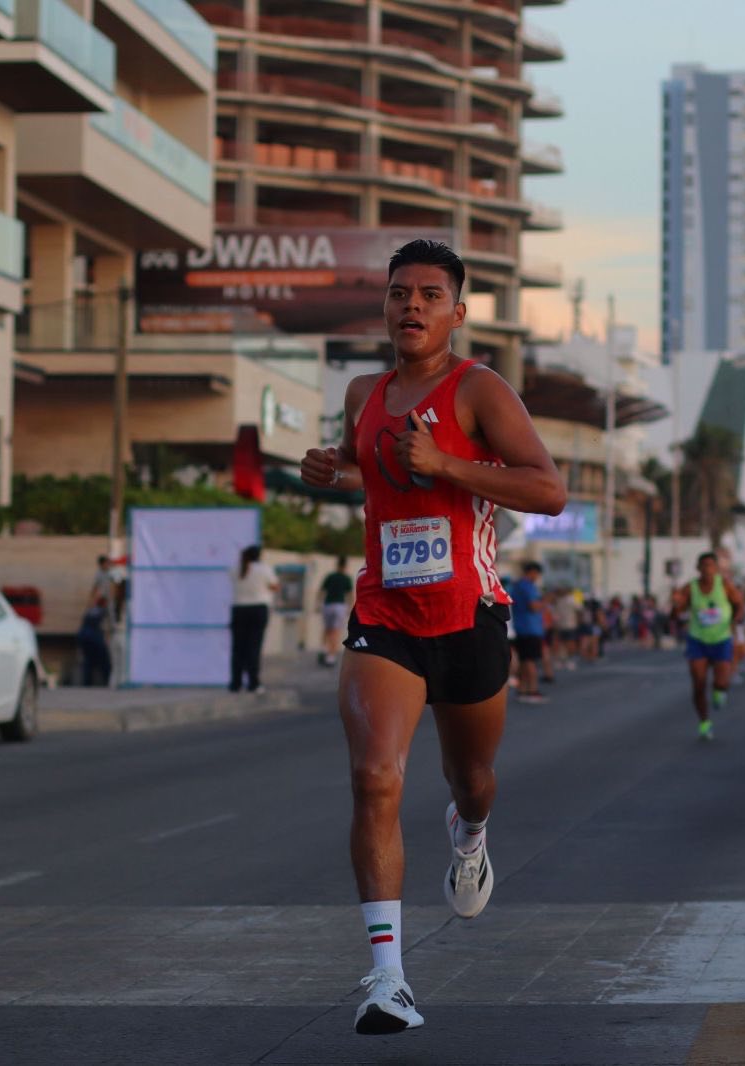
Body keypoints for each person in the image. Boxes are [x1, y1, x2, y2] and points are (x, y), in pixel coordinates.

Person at [298, 238, 565, 1035]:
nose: (409, 306)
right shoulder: (363, 391)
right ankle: (388, 978)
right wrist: (330, 471)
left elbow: (547, 489)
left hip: (469, 617)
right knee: (376, 777)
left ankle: (470, 833)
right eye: (397, 293)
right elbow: (367, 465)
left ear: (455, 310)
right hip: (385, 616)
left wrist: (447, 462)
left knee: (472, 779)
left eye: (427, 294)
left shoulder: (479, 388)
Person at [670, 551, 745, 741]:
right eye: (703, 566)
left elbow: (739, 604)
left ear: (717, 569)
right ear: (698, 568)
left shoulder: (725, 586)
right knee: (698, 683)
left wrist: (736, 619)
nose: (707, 570)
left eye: (711, 566)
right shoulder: (690, 588)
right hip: (697, 639)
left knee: (722, 681)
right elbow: (676, 613)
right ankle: (704, 722)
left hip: (721, 639)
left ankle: (719, 692)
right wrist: (676, 605)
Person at [229, 545, 277, 694]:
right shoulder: (264, 569)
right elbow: (275, 586)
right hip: (258, 609)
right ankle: (253, 683)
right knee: (254, 647)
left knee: (238, 648)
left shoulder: (235, 569)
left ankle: (235, 683)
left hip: (238, 609)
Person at [509, 562, 549, 704]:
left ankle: (522, 690)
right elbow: (533, 607)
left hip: (520, 627)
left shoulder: (517, 586)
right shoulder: (529, 586)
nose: (537, 577)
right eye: (537, 574)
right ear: (532, 572)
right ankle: (533, 690)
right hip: (531, 628)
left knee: (524, 660)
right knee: (530, 661)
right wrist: (544, 602)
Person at [318, 557, 355, 667]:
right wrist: (350, 608)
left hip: (328, 605)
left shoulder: (330, 576)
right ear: (345, 566)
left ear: (337, 564)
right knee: (336, 631)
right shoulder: (346, 578)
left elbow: (321, 591)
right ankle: (331, 657)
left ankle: (323, 649)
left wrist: (318, 604)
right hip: (339, 606)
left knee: (327, 629)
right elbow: (349, 595)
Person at [77, 597, 113, 687]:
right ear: (104, 604)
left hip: (83, 636)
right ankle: (107, 681)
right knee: (104, 660)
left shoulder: (91, 610)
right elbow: (107, 626)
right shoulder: (103, 611)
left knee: (88, 660)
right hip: (94, 637)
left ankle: (87, 683)